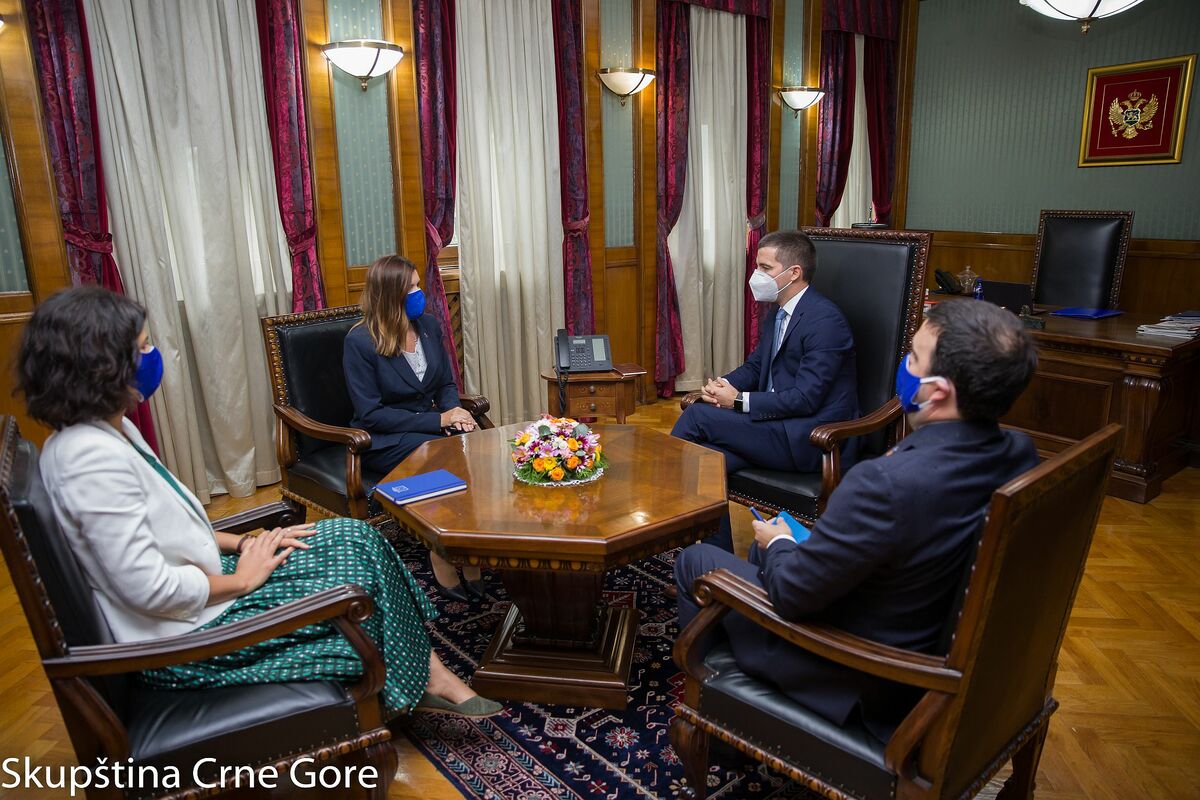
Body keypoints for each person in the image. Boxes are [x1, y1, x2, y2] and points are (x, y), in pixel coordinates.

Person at [18, 286, 501, 719]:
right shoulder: (88, 460)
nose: (153, 355)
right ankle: (429, 679)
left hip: (203, 596)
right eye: (143, 347)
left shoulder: (109, 429)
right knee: (354, 562)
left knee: (356, 536)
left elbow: (164, 531)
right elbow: (149, 590)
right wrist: (242, 579)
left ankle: (429, 673)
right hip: (192, 639)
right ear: (100, 365)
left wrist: (243, 541)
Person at [674, 299, 1040, 741]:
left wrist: (780, 544)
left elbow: (790, 594)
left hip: (856, 672)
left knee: (698, 562)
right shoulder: (1020, 455)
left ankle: (717, 713)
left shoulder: (882, 483)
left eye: (913, 357)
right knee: (763, 546)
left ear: (938, 391)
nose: (904, 366)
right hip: (919, 629)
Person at [671, 230, 858, 551]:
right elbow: (757, 366)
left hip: (808, 439)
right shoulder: (779, 311)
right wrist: (724, 385)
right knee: (706, 462)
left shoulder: (825, 321)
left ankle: (661, 513)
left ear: (794, 272)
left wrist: (738, 401)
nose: (756, 275)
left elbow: (805, 398)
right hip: (773, 426)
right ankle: (714, 558)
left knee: (697, 417)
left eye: (765, 268)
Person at [342, 255, 483, 602]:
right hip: (383, 438)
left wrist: (454, 412)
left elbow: (446, 383)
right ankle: (441, 551)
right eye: (413, 288)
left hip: (429, 426)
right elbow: (371, 413)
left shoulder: (429, 326)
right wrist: (438, 421)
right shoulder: (360, 342)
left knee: (474, 443)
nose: (421, 293)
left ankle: (469, 542)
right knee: (439, 453)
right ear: (391, 295)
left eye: (419, 284)